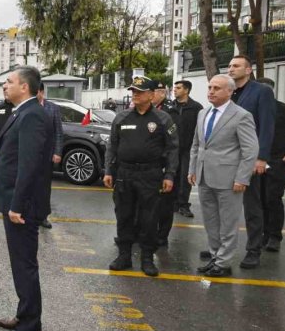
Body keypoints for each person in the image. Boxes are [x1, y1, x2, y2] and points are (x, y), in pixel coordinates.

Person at [0, 67, 53, 331]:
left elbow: (29, 165)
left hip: (23, 205)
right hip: (15, 201)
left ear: (25, 88)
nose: (5, 86)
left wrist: (16, 205)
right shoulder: (22, 112)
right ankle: (24, 315)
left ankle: (31, 330)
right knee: (19, 263)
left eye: (9, 81)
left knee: (25, 265)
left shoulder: (32, 116)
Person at [103, 76, 178, 277]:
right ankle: (124, 256)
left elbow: (172, 150)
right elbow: (112, 146)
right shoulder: (122, 117)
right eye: (133, 91)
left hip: (150, 174)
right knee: (124, 215)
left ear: (152, 95)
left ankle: (147, 258)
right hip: (124, 174)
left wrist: (169, 175)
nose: (135, 95)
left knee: (149, 218)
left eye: (140, 91)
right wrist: (108, 171)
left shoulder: (163, 119)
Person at [187, 75, 259, 276]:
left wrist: (242, 178)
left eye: (217, 88)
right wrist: (192, 169)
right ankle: (215, 256)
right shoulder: (203, 113)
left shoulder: (241, 115)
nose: (211, 91)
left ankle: (224, 263)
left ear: (230, 91)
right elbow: (196, 145)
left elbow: (250, 150)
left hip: (229, 179)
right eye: (210, 87)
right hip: (203, 176)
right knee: (211, 221)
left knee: (228, 223)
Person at [227, 55, 276, 269]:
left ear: (248, 70)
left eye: (236, 66)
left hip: (249, 158)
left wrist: (261, 158)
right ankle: (219, 247)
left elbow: (266, 126)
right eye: (229, 65)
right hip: (227, 158)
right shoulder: (228, 92)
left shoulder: (261, 92)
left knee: (252, 207)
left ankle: (253, 250)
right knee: (224, 206)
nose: (231, 69)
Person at [256, 78, 285, 253]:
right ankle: (263, 234)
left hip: (278, 160)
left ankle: (274, 236)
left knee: (273, 199)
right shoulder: (252, 109)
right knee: (259, 199)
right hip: (256, 161)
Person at [169, 80, 203, 218]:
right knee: (172, 175)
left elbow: (200, 129)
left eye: (178, 88)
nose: (174, 90)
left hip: (189, 149)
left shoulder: (196, 108)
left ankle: (183, 204)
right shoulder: (170, 108)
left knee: (185, 177)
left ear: (187, 90)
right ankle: (172, 204)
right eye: (174, 88)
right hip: (173, 149)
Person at [36, 84, 63, 229]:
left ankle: (43, 216)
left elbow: (58, 132)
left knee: (45, 188)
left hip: (47, 155)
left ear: (42, 92)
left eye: (37, 93)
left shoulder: (53, 108)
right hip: (31, 155)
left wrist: (57, 152)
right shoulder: (28, 107)